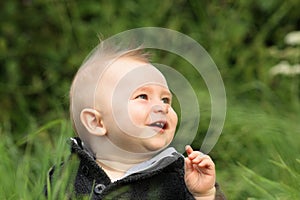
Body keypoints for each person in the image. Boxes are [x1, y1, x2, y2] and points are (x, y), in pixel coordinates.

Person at [47, 42, 226, 200]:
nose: (162, 107)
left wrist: (204, 195)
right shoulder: (65, 177)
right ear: (96, 123)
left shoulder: (177, 178)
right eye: (143, 96)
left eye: (165, 99)